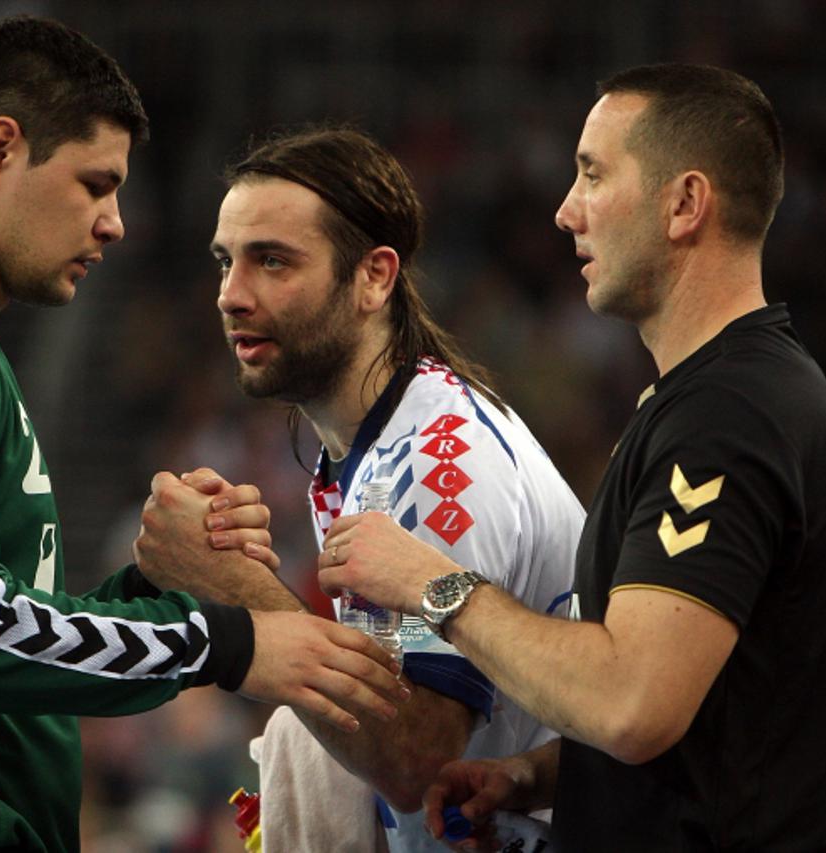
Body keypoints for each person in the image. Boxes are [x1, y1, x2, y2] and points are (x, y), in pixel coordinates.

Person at [0, 17, 406, 853]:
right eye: (95, 183)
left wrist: (160, 587)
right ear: (0, 149)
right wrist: (223, 643)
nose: (115, 222)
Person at [317, 64, 826, 850]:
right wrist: (538, 774)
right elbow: (719, 720)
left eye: (592, 174)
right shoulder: (726, 399)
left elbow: (633, 702)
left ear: (684, 204)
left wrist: (429, 582)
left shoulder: (730, 416)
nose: (565, 210)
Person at [132, 127, 584, 851]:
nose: (231, 296)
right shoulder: (369, 452)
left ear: (375, 276)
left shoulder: (442, 463)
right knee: (295, 743)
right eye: (225, 262)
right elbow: (390, 692)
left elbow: (421, 761)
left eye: (272, 261)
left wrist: (241, 588)